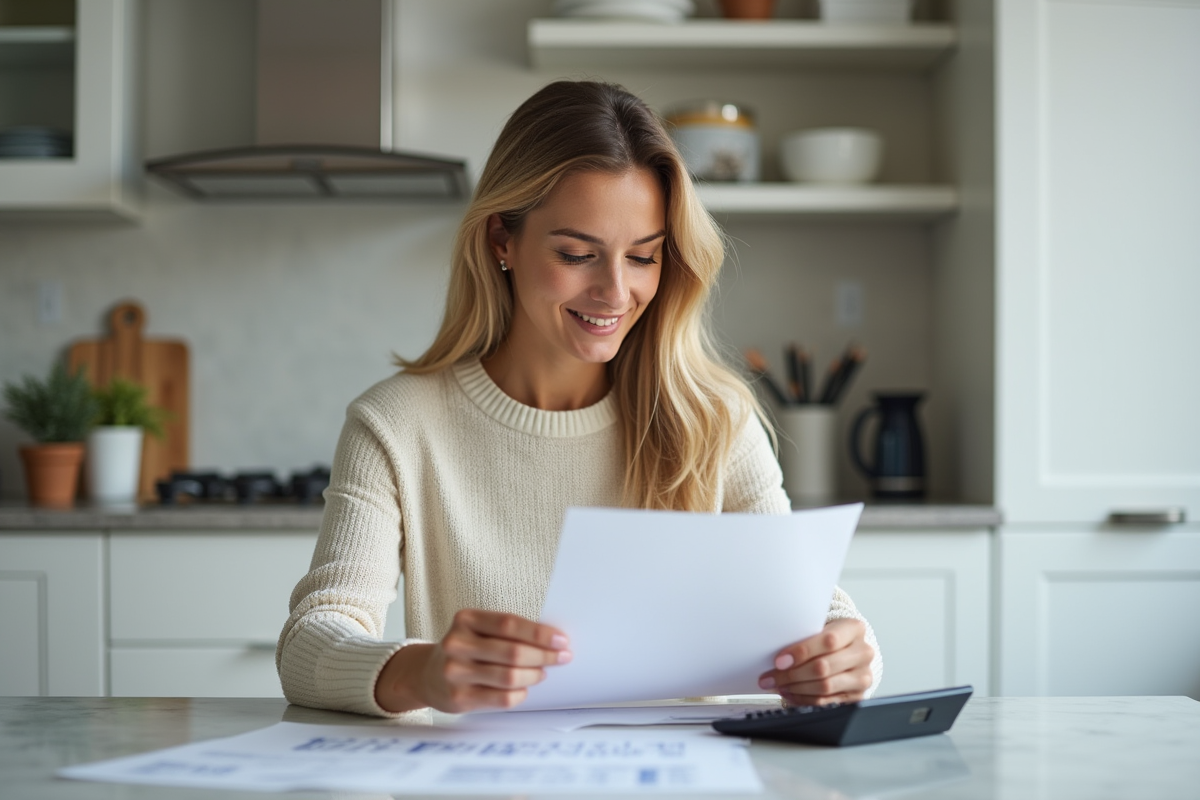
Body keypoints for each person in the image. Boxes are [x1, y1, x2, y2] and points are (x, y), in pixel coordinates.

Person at [276, 80, 882, 718]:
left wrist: (848, 651)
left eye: (643, 257)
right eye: (576, 254)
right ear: (501, 242)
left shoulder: (713, 418)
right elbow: (311, 640)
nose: (615, 293)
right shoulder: (397, 424)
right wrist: (419, 672)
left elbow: (805, 605)